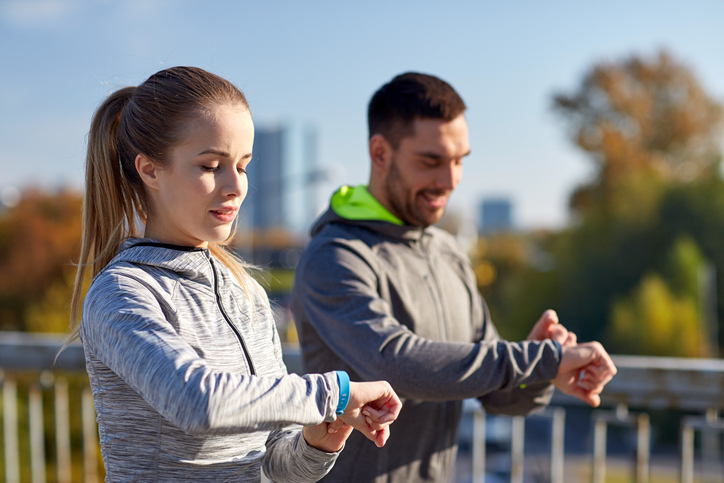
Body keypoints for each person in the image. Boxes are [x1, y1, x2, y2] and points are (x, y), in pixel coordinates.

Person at [68, 66, 402, 482]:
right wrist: (334, 393)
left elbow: (278, 467)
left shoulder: (245, 292)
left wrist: (318, 442)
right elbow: (198, 402)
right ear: (150, 170)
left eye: (242, 166)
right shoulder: (120, 292)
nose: (235, 186)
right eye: (211, 166)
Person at [291, 72, 617, 482]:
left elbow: (499, 398)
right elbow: (397, 364)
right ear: (380, 153)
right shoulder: (335, 256)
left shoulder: (448, 253)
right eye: (431, 161)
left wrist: (538, 372)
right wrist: (539, 359)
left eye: (460, 160)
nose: (450, 180)